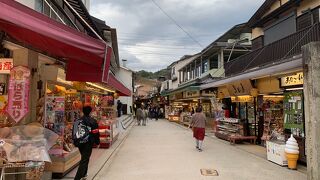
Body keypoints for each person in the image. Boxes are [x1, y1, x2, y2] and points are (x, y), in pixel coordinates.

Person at [75, 106, 100, 180]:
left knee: (85, 157)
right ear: (90, 112)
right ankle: (77, 178)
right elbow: (95, 133)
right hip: (88, 143)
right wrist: (97, 142)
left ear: (83, 111)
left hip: (80, 142)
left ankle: (84, 174)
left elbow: (75, 132)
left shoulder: (78, 120)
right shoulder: (93, 121)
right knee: (84, 160)